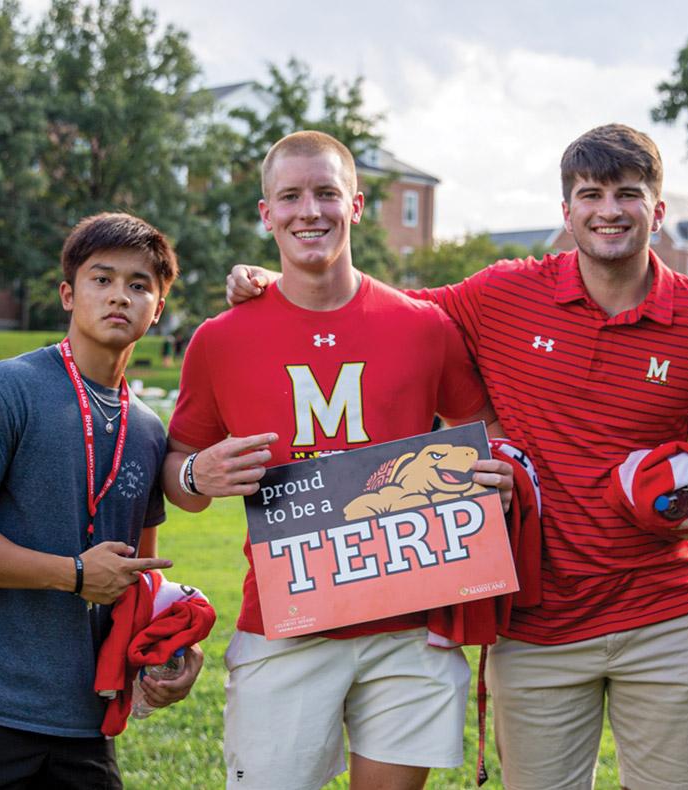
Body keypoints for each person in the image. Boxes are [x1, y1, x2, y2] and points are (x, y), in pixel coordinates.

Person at [229, 124, 688, 789]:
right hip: (535, 619)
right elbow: (382, 313)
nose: (609, 211)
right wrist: (279, 283)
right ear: (565, 213)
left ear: (658, 209)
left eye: (629, 194)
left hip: (664, 611)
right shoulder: (502, 294)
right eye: (590, 195)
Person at [170, 130, 511, 790]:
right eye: (290, 196)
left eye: (327, 193)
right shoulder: (219, 340)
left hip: (409, 622)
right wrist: (195, 474)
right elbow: (180, 474)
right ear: (266, 214)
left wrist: (493, 475)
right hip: (284, 622)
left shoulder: (422, 325)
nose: (310, 211)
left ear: (356, 205)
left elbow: (484, 431)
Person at [0, 212, 196, 789]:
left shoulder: (147, 430)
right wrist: (70, 574)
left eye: (140, 285)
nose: (120, 295)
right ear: (68, 293)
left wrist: (160, 657)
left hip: (85, 726)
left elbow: (135, 582)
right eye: (102, 278)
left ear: (158, 309)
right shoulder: (7, 389)